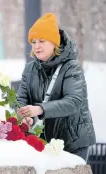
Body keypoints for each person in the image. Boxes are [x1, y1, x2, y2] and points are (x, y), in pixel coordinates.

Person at [16, 13, 96, 161]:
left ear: (55, 43)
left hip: (73, 141)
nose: (36, 46)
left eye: (42, 41)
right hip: (44, 141)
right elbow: (21, 99)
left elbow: (74, 101)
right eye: (33, 41)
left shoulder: (71, 67)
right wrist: (25, 116)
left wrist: (40, 109)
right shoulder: (30, 68)